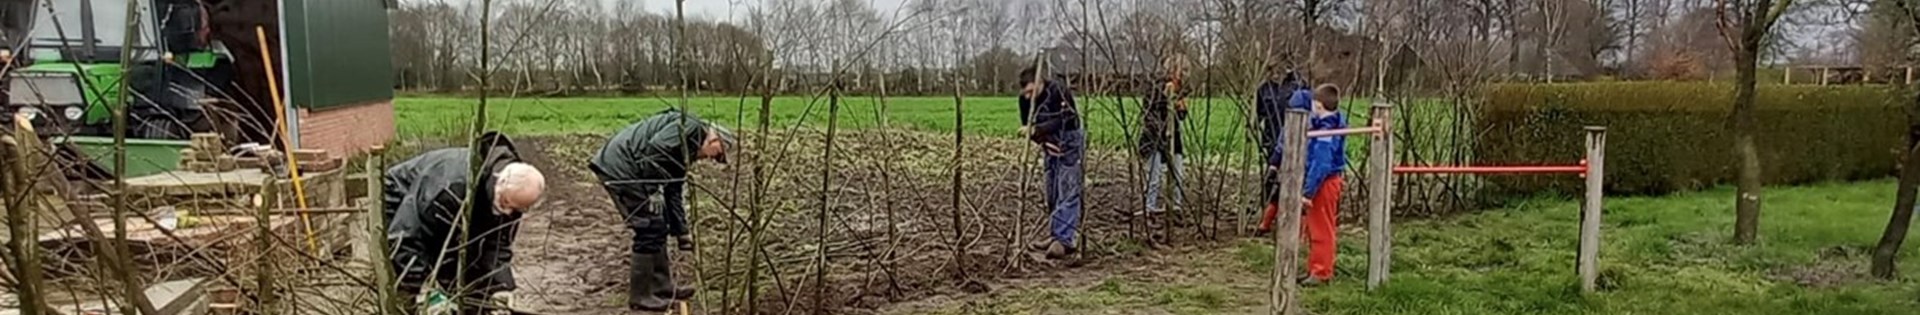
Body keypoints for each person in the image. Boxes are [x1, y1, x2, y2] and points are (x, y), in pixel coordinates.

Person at [589, 108, 735, 312]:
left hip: (631, 169)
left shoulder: (686, 148)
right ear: (714, 140)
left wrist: (682, 231)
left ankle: (662, 287)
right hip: (621, 167)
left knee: (659, 223)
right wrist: (652, 192)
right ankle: (640, 297)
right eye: (718, 154)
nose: (712, 159)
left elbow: (673, 189)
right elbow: (655, 150)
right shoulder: (690, 127)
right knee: (648, 227)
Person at [385, 132, 546, 313]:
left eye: (516, 210)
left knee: (472, 284)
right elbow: (405, 237)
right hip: (399, 201)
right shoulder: (449, 188)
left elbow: (496, 243)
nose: (508, 212)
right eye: (505, 204)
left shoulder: (511, 196)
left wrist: (500, 287)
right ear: (499, 181)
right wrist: (424, 291)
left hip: (451, 206)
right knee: (413, 285)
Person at [1018, 65, 1084, 259]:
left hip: (1069, 141)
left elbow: (1069, 118)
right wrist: (1042, 140)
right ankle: (1055, 233)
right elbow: (1027, 126)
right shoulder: (1024, 100)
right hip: (1049, 145)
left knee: (1069, 190)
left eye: (1031, 91)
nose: (1029, 97)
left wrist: (1039, 130)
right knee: (1052, 191)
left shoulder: (1058, 91)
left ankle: (1064, 239)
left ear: (1040, 83)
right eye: (1025, 93)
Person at [1135, 56, 1188, 216]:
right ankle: (1149, 207)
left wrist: (1181, 108)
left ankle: (1176, 206)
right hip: (1153, 137)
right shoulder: (1156, 87)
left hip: (1174, 137)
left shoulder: (1182, 90)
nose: (1186, 74)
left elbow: (1181, 116)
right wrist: (1166, 99)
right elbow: (1150, 112)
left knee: (1178, 173)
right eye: (1183, 70)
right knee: (1154, 175)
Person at [1255, 66, 1306, 217]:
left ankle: (1291, 211)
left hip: (1295, 139)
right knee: (1272, 178)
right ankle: (1269, 211)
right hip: (1272, 138)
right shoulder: (1264, 89)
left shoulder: (1299, 86)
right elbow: (1258, 113)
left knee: (1294, 176)